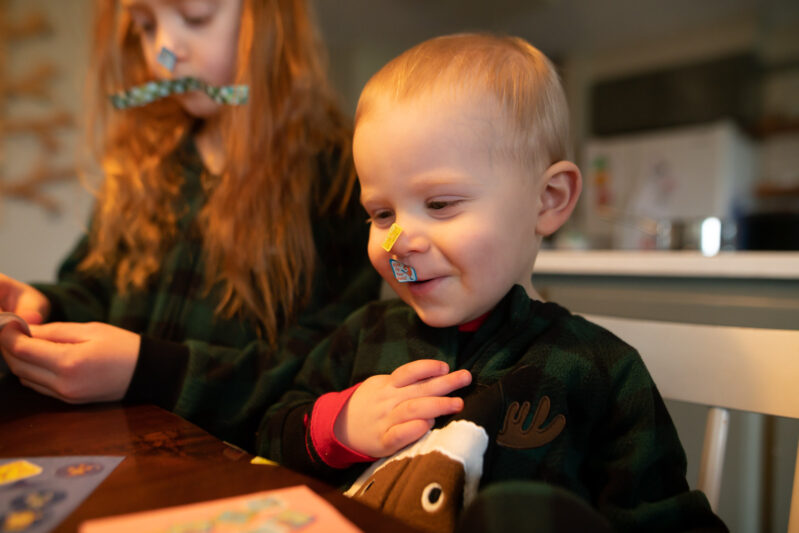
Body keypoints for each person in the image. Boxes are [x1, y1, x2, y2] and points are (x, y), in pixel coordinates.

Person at [259, 34, 727, 532]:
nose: (399, 241)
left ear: (547, 200)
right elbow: (269, 433)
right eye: (381, 214)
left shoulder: (600, 371)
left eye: (439, 205)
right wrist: (340, 426)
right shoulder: (364, 336)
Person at [0, 0, 380, 449]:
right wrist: (45, 307)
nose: (165, 51)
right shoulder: (145, 166)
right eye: (144, 27)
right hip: (122, 459)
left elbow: (318, 370)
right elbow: (96, 288)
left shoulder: (339, 177)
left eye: (195, 18)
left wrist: (153, 371)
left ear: (271, 18)